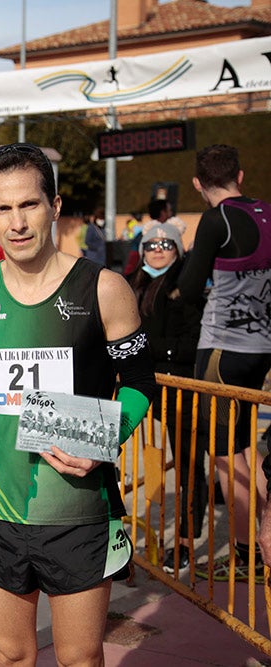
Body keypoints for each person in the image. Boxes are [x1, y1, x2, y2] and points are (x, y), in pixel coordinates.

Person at [0, 143, 155, 666]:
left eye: (28, 204)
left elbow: (140, 379)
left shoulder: (104, 287)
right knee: (8, 655)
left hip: (76, 505)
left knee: (78, 658)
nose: (17, 222)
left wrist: (106, 441)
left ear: (54, 205)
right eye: (2, 209)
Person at [179, 143, 271, 583]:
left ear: (199, 184)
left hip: (222, 348)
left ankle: (245, 554)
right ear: (241, 174)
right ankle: (264, 539)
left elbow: (191, 285)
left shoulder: (217, 219)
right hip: (263, 349)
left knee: (223, 455)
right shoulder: (267, 213)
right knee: (251, 449)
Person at [126, 219, 206, 574]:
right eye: (152, 246)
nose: (158, 251)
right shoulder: (134, 283)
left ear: (178, 250)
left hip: (181, 389)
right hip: (144, 389)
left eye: (166, 245)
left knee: (189, 466)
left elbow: (192, 343)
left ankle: (186, 541)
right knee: (119, 457)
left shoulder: (186, 287)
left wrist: (146, 349)